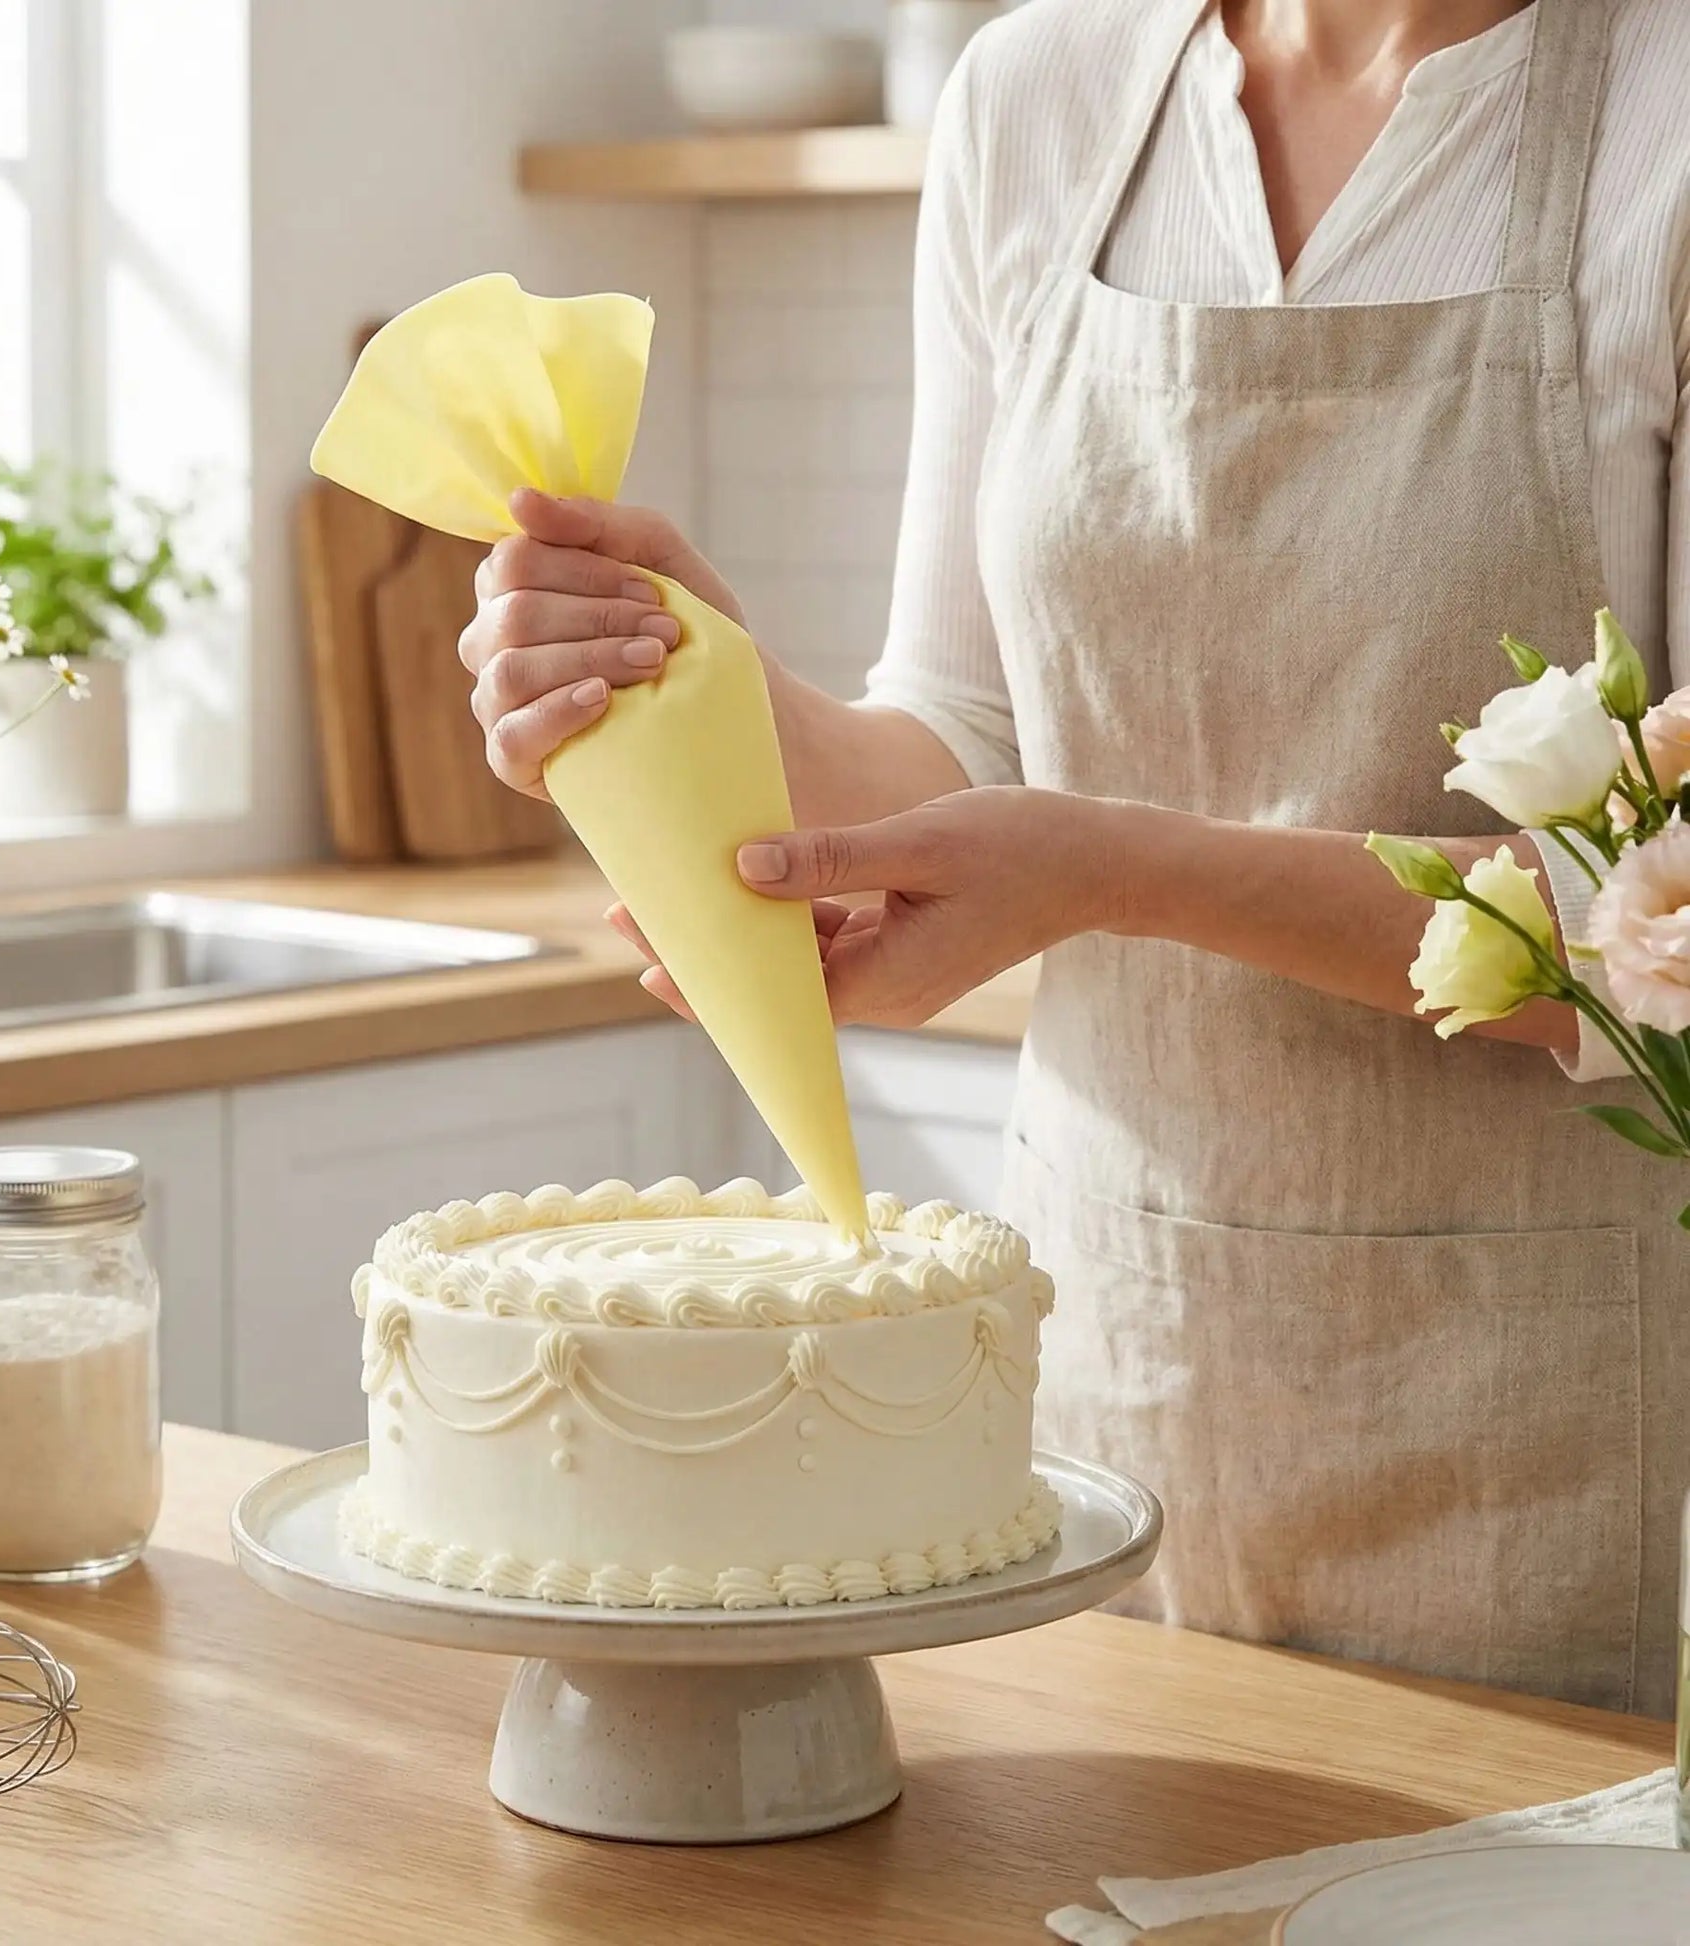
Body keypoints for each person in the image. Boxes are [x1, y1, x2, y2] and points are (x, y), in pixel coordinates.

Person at [455, 0, 1690, 1717]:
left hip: (1557, 1422)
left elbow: (1668, 932)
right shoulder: (1034, 98)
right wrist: (697, 680)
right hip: (1117, 1366)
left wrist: (1114, 869)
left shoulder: (1665, 116)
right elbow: (964, 724)